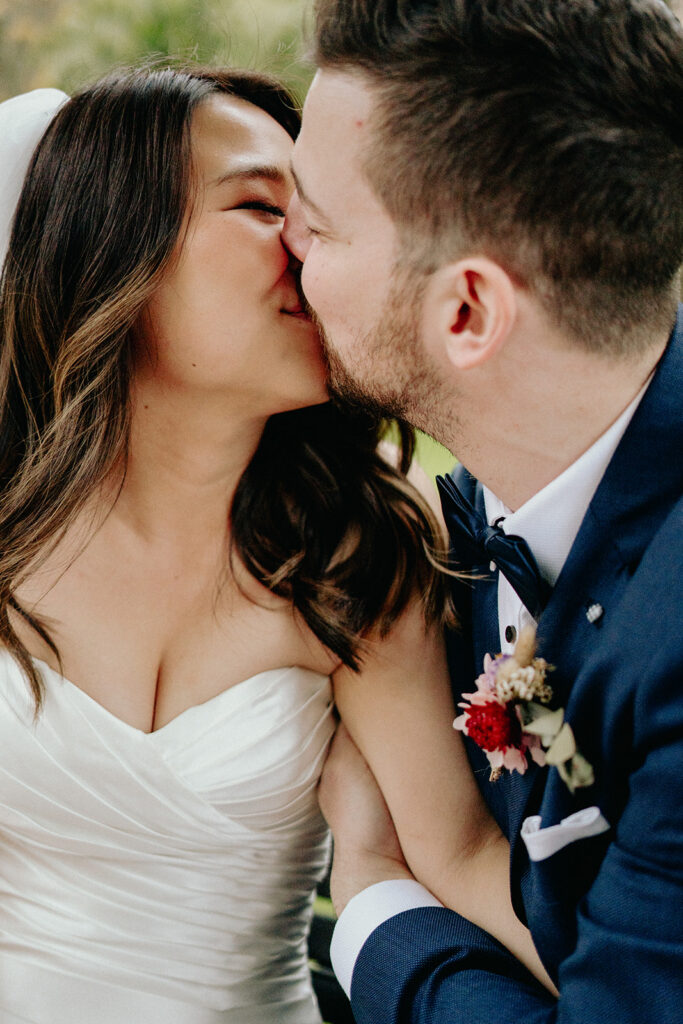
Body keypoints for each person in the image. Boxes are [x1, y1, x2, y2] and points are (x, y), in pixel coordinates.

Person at [0, 66, 462, 1024]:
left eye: (320, 214)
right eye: (262, 205)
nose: (311, 244)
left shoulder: (360, 546)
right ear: (114, 246)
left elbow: (460, 861)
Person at [282, 0, 683, 1020]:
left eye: (317, 224)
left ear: (465, 312)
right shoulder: (464, 525)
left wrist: (375, 898)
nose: (282, 247)